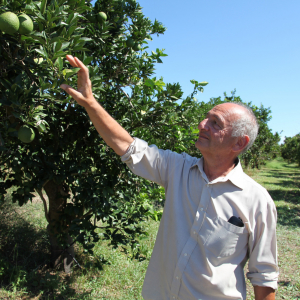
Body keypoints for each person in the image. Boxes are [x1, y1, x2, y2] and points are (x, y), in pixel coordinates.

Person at [60, 55, 279, 300]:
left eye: (215, 123)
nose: (202, 124)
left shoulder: (257, 200)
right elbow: (128, 146)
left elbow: (264, 276)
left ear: (239, 142)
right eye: (206, 117)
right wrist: (91, 103)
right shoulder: (178, 169)